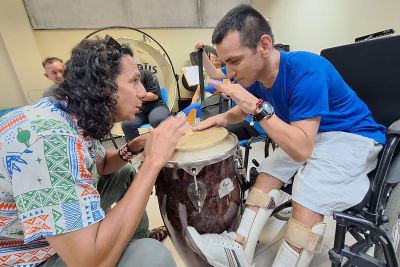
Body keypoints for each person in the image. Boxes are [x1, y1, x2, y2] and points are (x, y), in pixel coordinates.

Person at [184, 5, 386, 267]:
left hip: (353, 136)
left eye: (234, 61)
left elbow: (301, 148)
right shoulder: (254, 74)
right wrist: (216, 120)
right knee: (270, 169)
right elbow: (239, 111)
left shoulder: (307, 70)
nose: (230, 72)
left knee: (309, 188)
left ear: (264, 46)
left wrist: (257, 108)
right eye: (226, 63)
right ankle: (240, 247)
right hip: (316, 135)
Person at [0, 36, 189, 266]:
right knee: (152, 256)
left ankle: (133, 240)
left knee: (124, 173)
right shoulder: (50, 142)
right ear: (104, 87)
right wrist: (153, 162)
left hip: (48, 229)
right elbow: (90, 263)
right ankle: (134, 250)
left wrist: (132, 147)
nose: (141, 92)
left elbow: (101, 166)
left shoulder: (71, 114)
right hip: (30, 255)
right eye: (134, 81)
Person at [121, 69, 170, 141]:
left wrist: (135, 95)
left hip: (156, 106)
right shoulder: (124, 81)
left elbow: (154, 96)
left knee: (157, 119)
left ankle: (165, 145)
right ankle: (138, 149)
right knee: (126, 124)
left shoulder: (147, 74)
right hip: (139, 110)